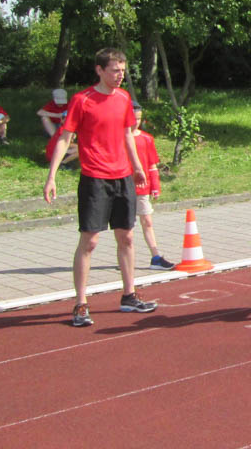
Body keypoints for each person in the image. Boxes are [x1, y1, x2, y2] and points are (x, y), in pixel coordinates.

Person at [43, 48, 157, 327]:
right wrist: (52, 176)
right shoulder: (83, 100)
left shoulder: (124, 98)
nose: (119, 76)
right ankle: (81, 304)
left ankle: (129, 295)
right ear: (100, 70)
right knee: (90, 240)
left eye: (122, 70)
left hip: (123, 177)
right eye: (114, 70)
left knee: (127, 237)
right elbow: (64, 138)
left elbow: (128, 134)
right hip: (95, 178)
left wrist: (138, 167)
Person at [131, 102, 173, 269]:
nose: (136, 122)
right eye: (133, 118)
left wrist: (155, 186)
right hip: (124, 187)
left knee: (147, 220)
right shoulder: (118, 137)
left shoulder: (147, 139)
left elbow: (152, 165)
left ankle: (155, 256)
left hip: (142, 188)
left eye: (139, 118)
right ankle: (127, 257)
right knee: (126, 227)